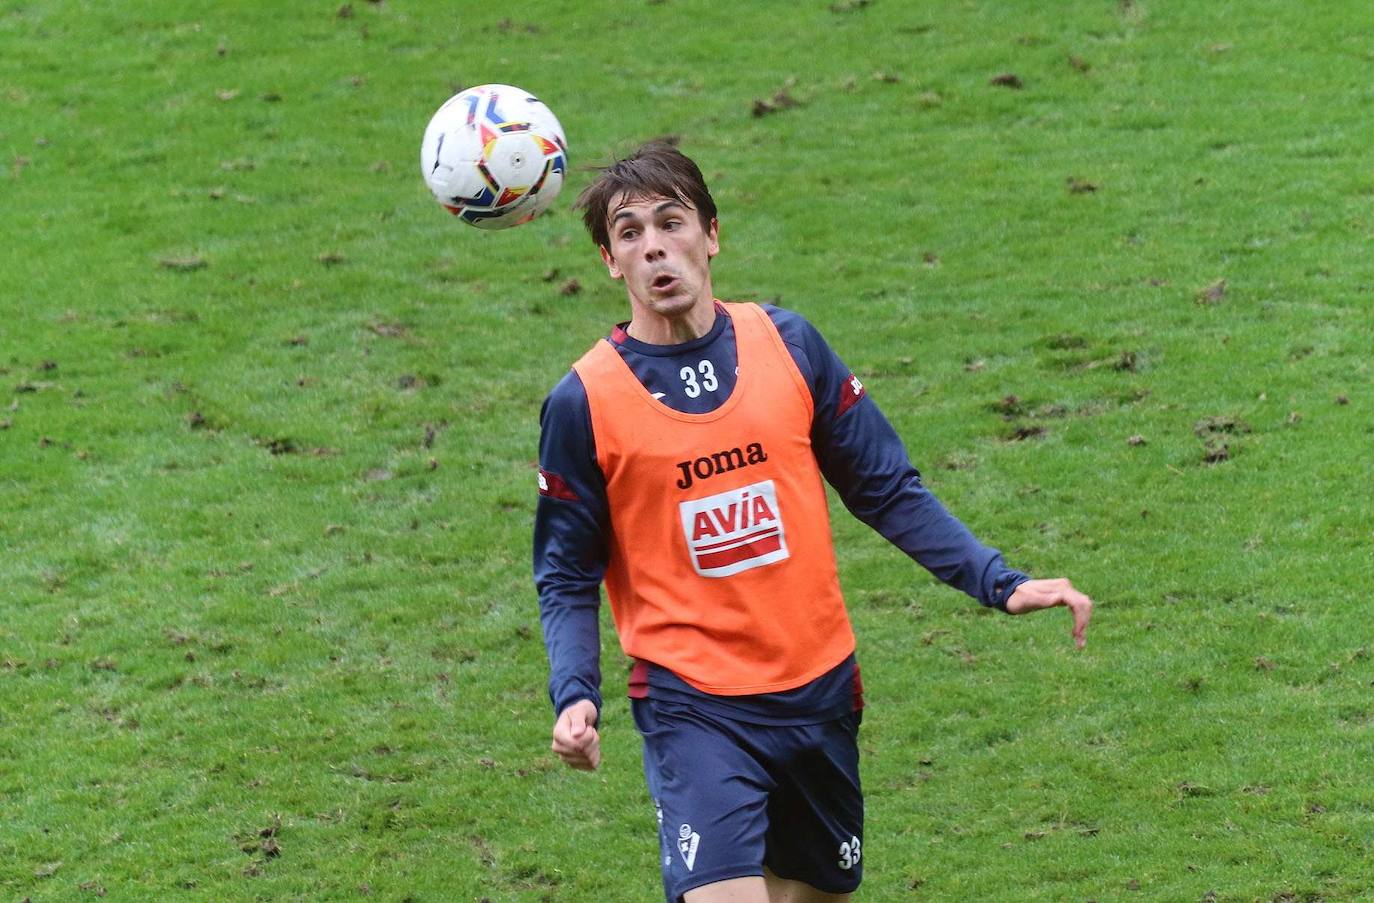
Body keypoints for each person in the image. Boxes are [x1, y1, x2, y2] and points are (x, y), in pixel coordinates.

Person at [533, 142, 1094, 902]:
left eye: (672, 222)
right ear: (609, 260)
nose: (655, 246)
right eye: (630, 233)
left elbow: (887, 487)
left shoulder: (790, 345)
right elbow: (567, 568)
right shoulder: (584, 400)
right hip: (693, 702)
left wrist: (1000, 581)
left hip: (819, 689)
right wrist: (575, 692)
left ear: (712, 235)